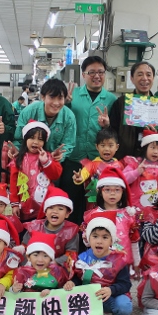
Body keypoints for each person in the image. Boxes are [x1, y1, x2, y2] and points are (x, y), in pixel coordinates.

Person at [61, 56, 117, 225]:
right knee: (71, 202)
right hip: (73, 157)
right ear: (84, 75)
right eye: (91, 72)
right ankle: (71, 241)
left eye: (100, 72)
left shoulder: (112, 100)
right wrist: (67, 103)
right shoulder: (73, 95)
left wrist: (107, 125)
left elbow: (114, 132)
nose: (96, 76)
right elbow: (63, 118)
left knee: (95, 204)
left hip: (98, 161)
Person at [64, 212, 132, 315]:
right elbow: (78, 277)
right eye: (95, 236)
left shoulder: (119, 260)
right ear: (89, 239)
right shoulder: (82, 258)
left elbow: (126, 284)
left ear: (112, 240)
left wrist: (111, 290)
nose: (99, 241)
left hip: (109, 297)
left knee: (124, 305)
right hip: (88, 298)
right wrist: (72, 282)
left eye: (105, 237)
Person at [81, 167, 139, 272]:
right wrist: (87, 238)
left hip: (124, 264)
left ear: (122, 192)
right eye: (107, 190)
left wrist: (137, 262)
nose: (112, 193)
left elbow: (134, 240)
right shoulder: (93, 215)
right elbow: (88, 243)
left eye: (117, 190)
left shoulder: (128, 214)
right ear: (100, 191)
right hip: (100, 264)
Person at [9, 120, 62, 221]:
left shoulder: (47, 157)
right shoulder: (18, 160)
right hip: (24, 205)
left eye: (40, 139)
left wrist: (46, 162)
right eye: (32, 138)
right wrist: (14, 204)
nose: (36, 142)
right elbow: (13, 183)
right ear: (25, 139)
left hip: (45, 207)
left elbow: (55, 175)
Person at [13, 79, 76, 163]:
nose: (56, 103)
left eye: (60, 98)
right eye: (52, 97)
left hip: (53, 164)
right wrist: (16, 149)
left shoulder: (69, 117)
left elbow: (68, 143)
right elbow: (18, 139)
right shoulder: (29, 112)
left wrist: (61, 154)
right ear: (43, 97)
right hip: (28, 163)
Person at [21, 186, 79, 278]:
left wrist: (53, 263)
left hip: (57, 268)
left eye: (60, 209)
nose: (55, 211)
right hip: (33, 266)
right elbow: (25, 248)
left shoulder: (70, 231)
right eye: (51, 208)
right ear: (46, 211)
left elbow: (71, 254)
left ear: (67, 214)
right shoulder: (34, 227)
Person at [108, 61, 156, 159]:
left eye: (148, 75)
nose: (145, 78)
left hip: (150, 160)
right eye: (140, 74)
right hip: (124, 159)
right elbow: (113, 132)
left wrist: (155, 132)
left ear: (153, 78)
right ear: (132, 78)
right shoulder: (121, 103)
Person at [73, 128, 124, 208]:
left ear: (117, 147)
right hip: (95, 202)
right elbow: (83, 174)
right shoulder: (92, 164)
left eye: (111, 146)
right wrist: (79, 178)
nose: (106, 149)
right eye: (102, 145)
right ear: (97, 147)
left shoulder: (119, 165)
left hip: (113, 201)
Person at [122, 130, 158, 211]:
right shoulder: (135, 163)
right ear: (145, 147)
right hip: (135, 207)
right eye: (152, 147)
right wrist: (136, 172)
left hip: (155, 208)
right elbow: (122, 180)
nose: (156, 151)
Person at [11, 232, 69, 296]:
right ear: (28, 257)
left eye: (45, 256)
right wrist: (14, 290)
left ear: (51, 258)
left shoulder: (57, 271)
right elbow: (12, 296)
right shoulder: (21, 272)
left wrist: (52, 292)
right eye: (35, 255)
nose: (40, 260)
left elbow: (64, 291)